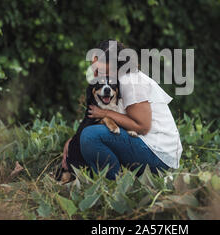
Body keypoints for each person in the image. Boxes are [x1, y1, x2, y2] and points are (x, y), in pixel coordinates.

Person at [61, 40, 182, 180]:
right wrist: (73, 141)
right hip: (146, 147)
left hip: (159, 157)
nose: (94, 73)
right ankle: (95, 178)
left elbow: (142, 127)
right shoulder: (115, 82)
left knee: (90, 136)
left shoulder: (130, 81)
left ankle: (113, 185)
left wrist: (106, 113)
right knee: (86, 135)